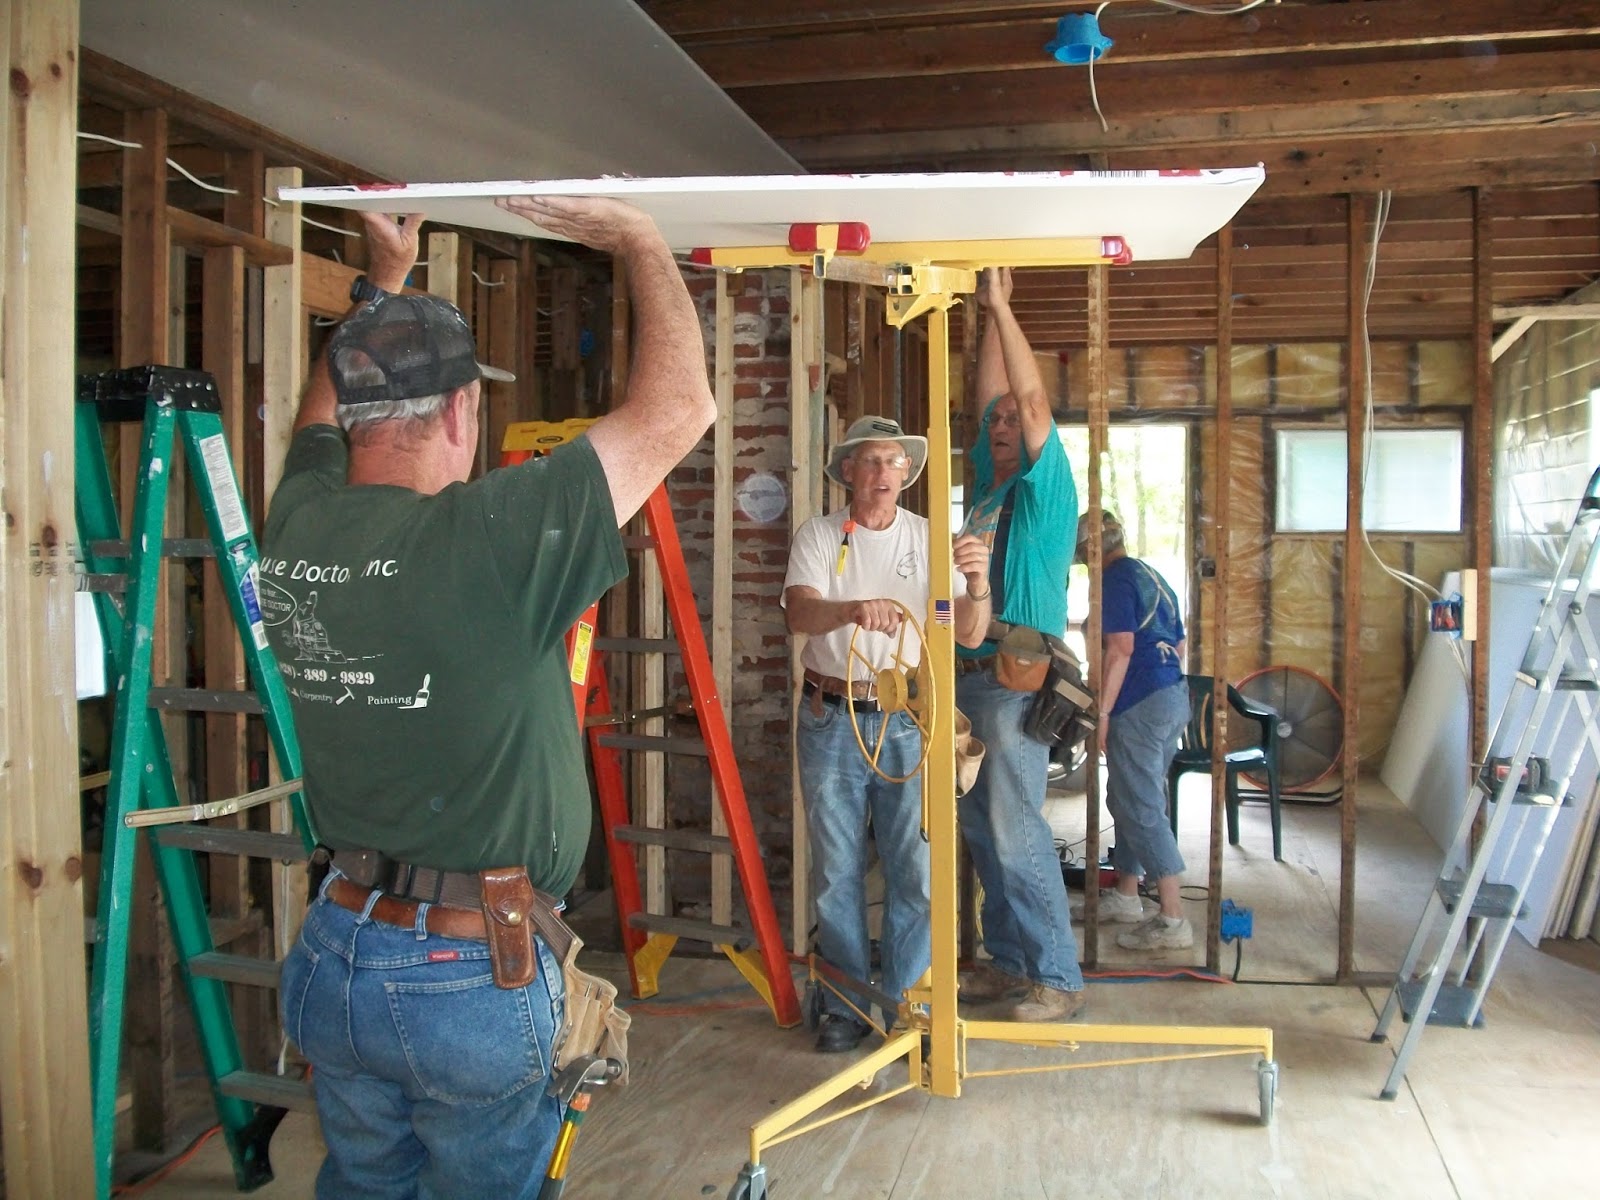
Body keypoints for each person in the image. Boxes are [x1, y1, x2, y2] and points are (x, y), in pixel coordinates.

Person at [263, 197, 715, 1198]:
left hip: (336, 952)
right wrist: (640, 238)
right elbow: (679, 410)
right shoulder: (491, 538)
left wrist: (380, 294)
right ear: (465, 411)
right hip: (467, 981)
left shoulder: (299, 526)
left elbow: (314, 421)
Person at [783, 416, 993, 1051]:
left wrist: (978, 582)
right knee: (836, 871)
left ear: (907, 474)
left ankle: (905, 1006)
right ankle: (848, 1007)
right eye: (871, 462)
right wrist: (848, 610)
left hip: (905, 719)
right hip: (830, 715)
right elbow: (798, 612)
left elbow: (971, 633)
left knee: (916, 872)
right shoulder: (820, 536)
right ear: (847, 471)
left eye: (894, 463)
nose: (883, 474)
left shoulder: (929, 540)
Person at [954, 267, 1087, 1022]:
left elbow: (1027, 401)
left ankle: (1058, 978)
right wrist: (981, 321)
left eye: (1014, 424)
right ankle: (1008, 963)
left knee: (1015, 829)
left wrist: (1004, 306)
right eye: (994, 426)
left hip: (1016, 677)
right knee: (982, 829)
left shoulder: (1046, 488)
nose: (1002, 426)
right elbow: (989, 403)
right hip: (974, 672)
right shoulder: (989, 487)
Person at [1077, 511, 1195, 951]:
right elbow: (1179, 644)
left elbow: (1121, 649)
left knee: (1141, 804)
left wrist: (1103, 713)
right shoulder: (1151, 576)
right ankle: (1127, 894)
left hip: (1139, 703)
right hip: (1171, 695)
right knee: (1129, 795)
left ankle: (1172, 918)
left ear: (1091, 549)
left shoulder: (1115, 581)